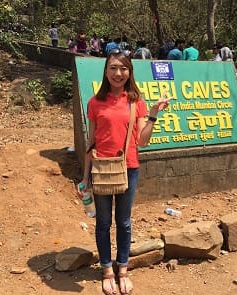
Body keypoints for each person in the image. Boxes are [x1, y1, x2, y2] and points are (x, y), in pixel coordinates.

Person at [76, 50, 171, 295]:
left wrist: (153, 114)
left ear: (129, 73)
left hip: (128, 169)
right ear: (106, 72)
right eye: (113, 68)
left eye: (123, 69)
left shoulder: (135, 102)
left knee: (124, 222)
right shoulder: (95, 103)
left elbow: (143, 141)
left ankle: (123, 270)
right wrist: (85, 177)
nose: (118, 73)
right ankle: (107, 270)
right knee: (104, 222)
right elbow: (91, 141)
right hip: (101, 169)